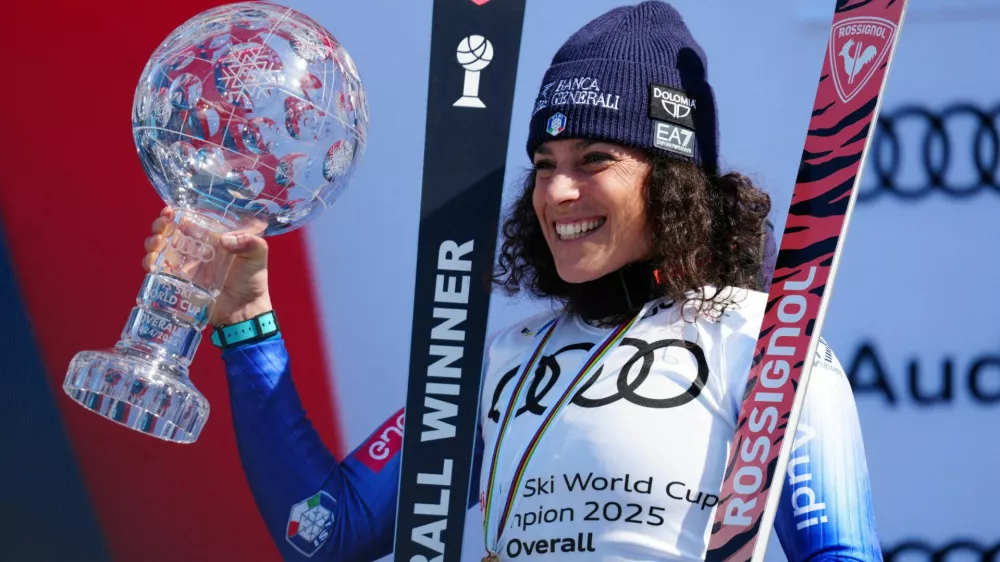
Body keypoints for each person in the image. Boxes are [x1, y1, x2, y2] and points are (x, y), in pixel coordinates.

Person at [143, 2, 881, 560]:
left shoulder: (766, 340)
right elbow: (323, 530)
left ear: (676, 185)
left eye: (595, 159)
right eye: (545, 164)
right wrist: (246, 323)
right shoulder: (504, 358)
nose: (558, 193)